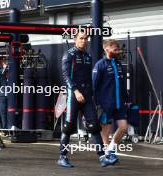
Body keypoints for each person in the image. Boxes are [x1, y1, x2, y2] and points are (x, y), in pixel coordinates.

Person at [58, 31, 107, 168]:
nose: (84, 41)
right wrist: (75, 91)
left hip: (87, 96)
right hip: (74, 95)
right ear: (75, 39)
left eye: (86, 39)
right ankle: (62, 157)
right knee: (68, 127)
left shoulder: (88, 56)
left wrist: (90, 93)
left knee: (94, 125)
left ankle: (103, 157)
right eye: (81, 38)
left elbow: (89, 78)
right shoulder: (69, 54)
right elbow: (66, 75)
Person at [92, 39, 128, 166]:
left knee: (123, 128)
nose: (117, 50)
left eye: (117, 48)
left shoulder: (118, 64)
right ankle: (107, 156)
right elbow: (94, 86)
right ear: (106, 49)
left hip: (120, 103)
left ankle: (110, 151)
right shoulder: (100, 64)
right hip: (105, 104)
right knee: (105, 134)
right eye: (114, 48)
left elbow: (122, 85)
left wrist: (127, 100)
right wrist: (96, 103)